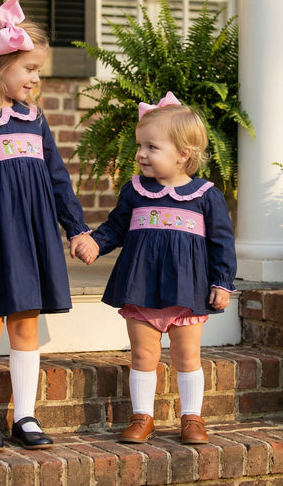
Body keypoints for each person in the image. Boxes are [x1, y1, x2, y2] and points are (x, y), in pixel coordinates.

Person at [0, 0, 98, 452]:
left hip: (31, 238)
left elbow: (56, 179)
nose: (35, 79)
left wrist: (77, 229)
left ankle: (25, 415)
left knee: (25, 325)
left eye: (38, 70)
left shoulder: (35, 120)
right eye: (28, 68)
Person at [75, 92, 237, 444]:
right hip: (141, 286)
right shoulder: (134, 191)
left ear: (183, 154)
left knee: (186, 355)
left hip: (187, 291)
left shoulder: (205, 195)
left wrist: (222, 282)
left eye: (151, 147)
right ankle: (142, 417)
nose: (140, 155)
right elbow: (115, 228)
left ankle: (192, 419)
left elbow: (221, 243)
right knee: (142, 354)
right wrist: (94, 243)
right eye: (139, 146)